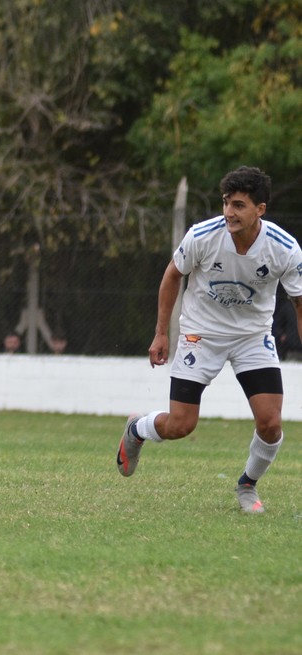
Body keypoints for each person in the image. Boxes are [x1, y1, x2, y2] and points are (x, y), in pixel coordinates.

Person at [118, 166, 301, 514]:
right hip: (200, 334)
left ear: (259, 209)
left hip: (252, 336)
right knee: (180, 425)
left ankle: (247, 485)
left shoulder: (284, 249)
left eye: (239, 205)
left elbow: (299, 302)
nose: (229, 212)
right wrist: (161, 332)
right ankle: (138, 428)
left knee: (271, 423)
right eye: (226, 203)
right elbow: (173, 276)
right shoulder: (202, 236)